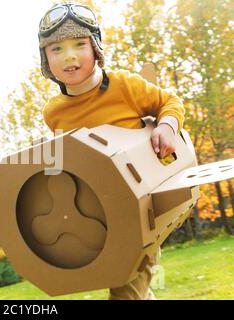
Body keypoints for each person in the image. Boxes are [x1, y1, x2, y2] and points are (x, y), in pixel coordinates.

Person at [38, 3, 185, 300]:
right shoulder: (53, 112)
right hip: (98, 217)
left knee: (125, 291)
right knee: (130, 289)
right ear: (46, 61)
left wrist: (167, 126)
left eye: (80, 45)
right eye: (56, 49)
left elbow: (170, 101)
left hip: (143, 212)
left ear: (95, 49)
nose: (69, 56)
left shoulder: (125, 86)